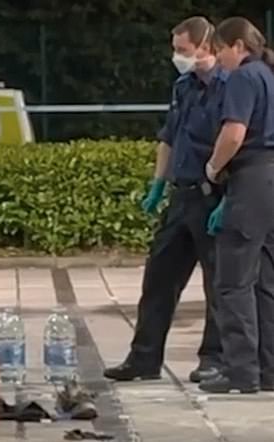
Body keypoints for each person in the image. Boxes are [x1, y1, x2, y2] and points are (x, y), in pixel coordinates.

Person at [104, 16, 226, 383]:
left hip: (212, 195)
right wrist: (158, 184)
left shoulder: (229, 87)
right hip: (181, 195)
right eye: (176, 50)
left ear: (207, 46)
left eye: (183, 51)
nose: (178, 57)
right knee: (159, 279)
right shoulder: (182, 86)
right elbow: (169, 138)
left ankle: (213, 359)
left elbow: (235, 141)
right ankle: (144, 358)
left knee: (217, 284)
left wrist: (228, 196)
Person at [199, 17, 274, 394]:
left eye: (220, 50)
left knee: (233, 280)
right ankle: (268, 368)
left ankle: (240, 370)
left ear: (238, 46)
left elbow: (235, 132)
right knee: (266, 280)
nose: (219, 59)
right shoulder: (270, 74)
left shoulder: (244, 77)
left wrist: (213, 168)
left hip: (252, 178)